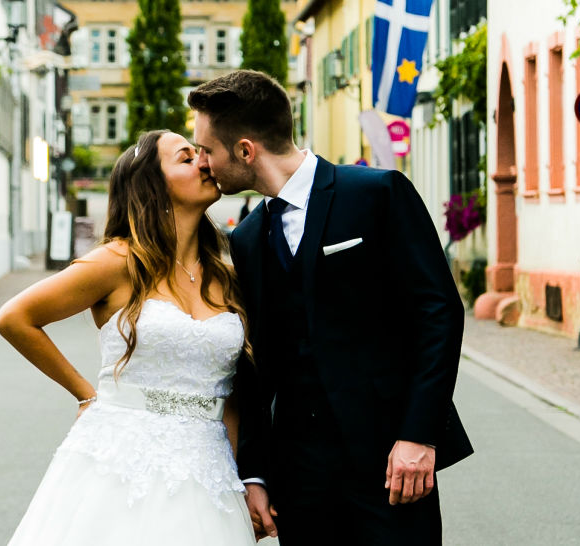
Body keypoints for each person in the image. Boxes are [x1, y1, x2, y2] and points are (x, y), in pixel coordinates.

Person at [188, 70, 473, 545]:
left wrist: (419, 436)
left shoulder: (378, 193)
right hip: (300, 480)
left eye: (207, 149)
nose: (203, 162)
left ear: (244, 150)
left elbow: (440, 312)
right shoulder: (248, 240)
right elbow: (255, 370)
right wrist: (255, 473)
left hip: (392, 462)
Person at [0, 130, 257, 545]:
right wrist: (84, 393)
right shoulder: (118, 260)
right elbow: (15, 318)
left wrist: (241, 474)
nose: (205, 162)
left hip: (208, 470)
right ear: (153, 184)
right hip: (119, 463)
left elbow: (234, 395)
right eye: (187, 158)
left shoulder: (227, 276)